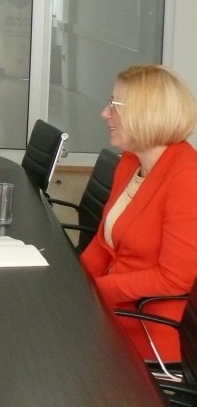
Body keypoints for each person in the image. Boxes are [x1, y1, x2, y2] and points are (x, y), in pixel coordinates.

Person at [80, 64, 197, 363]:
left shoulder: (187, 178)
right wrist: (73, 281)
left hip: (147, 329)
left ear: (145, 113)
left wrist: (92, 292)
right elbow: (104, 243)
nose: (104, 113)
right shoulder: (132, 161)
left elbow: (174, 279)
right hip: (111, 310)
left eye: (114, 105)